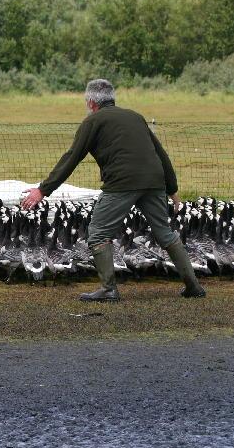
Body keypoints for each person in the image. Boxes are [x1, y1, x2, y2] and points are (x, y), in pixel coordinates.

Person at [21, 79, 205, 302]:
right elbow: (161, 153)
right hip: (154, 180)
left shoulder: (92, 122)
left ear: (90, 102)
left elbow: (71, 158)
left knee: (98, 233)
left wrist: (42, 190)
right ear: (112, 98)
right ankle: (193, 286)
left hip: (121, 183)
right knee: (165, 233)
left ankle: (109, 290)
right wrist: (172, 188)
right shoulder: (136, 117)